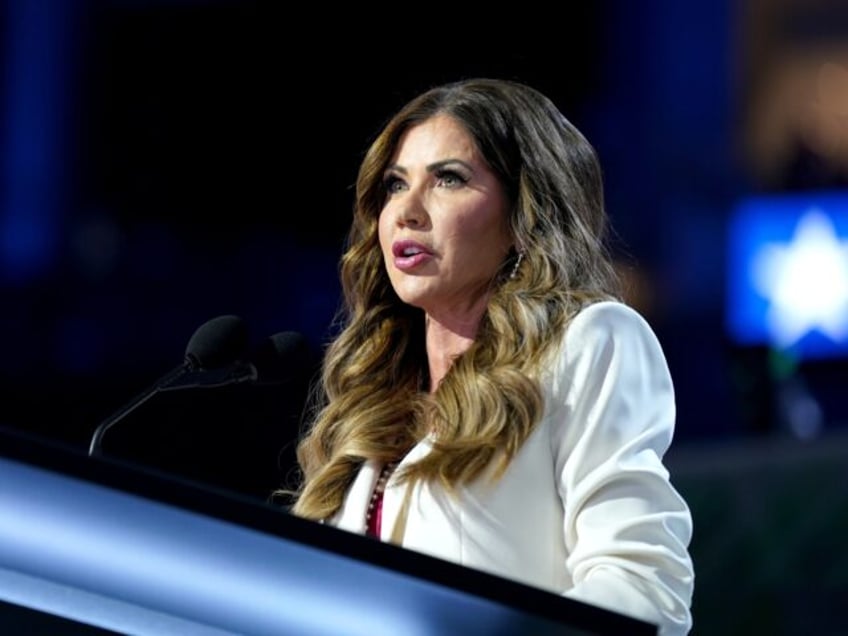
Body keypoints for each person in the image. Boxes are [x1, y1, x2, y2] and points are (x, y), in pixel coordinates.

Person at [283, 77, 694, 635]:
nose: (407, 210)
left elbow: (645, 590)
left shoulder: (590, 343)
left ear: (525, 216)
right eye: (394, 185)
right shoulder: (373, 400)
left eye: (449, 179)